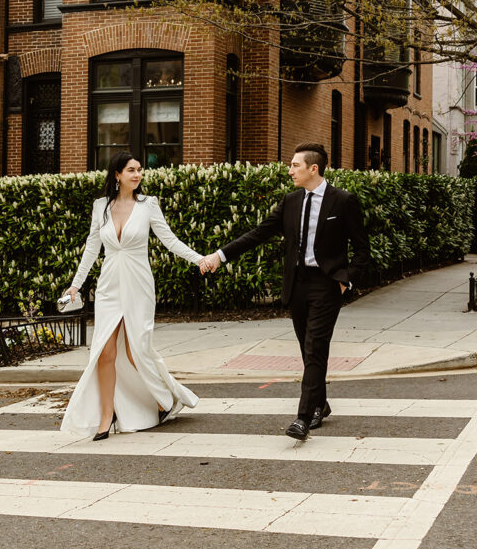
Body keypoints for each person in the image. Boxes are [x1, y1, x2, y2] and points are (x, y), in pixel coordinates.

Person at [200, 142, 370, 440]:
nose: (290, 170)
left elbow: (362, 249)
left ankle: (303, 418)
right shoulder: (291, 201)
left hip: (326, 284)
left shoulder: (342, 201)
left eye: (295, 165)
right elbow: (258, 233)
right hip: (297, 284)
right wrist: (220, 255)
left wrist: (346, 280)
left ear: (313, 168)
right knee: (309, 350)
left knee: (316, 348)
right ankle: (320, 403)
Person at [60, 152, 204, 440]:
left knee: (138, 350)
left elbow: (169, 240)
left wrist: (199, 259)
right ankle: (106, 416)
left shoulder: (148, 205)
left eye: (139, 170)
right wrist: (75, 285)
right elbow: (91, 248)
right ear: (117, 175)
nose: (137, 175)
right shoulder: (100, 207)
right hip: (110, 285)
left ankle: (166, 398)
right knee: (105, 352)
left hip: (138, 284)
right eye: (131, 170)